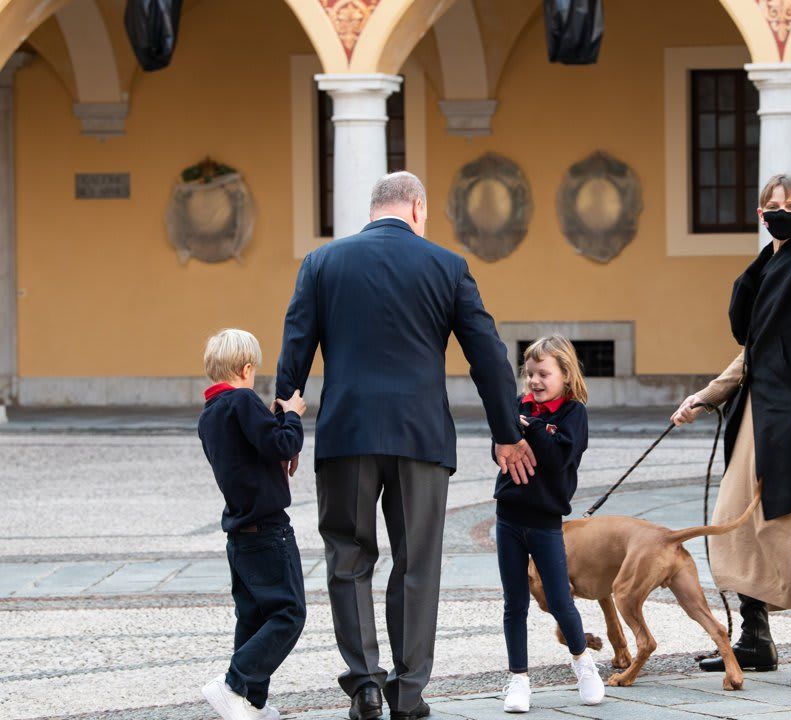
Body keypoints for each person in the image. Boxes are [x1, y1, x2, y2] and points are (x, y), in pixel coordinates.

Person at [275, 172, 537, 720]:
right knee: (417, 563)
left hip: (347, 434)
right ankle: (409, 691)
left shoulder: (322, 264)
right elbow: (487, 355)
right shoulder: (447, 266)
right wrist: (506, 434)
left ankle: (365, 686)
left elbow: (294, 351)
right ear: (417, 207)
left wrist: (286, 434)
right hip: (421, 437)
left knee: (347, 558)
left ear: (374, 210)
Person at [672, 118, 791, 688]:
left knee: (770, 527)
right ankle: (756, 639)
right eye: (772, 203)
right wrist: (705, 398)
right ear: (761, 214)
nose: (781, 209)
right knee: (736, 523)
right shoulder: (764, 269)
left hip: (786, 417)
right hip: (759, 412)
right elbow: (754, 354)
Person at [197, 328, 308, 720]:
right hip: (268, 529)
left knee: (253, 617)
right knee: (289, 613)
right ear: (247, 368)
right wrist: (291, 417)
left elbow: (254, 450)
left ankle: (251, 702)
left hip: (240, 534)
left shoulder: (210, 413)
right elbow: (282, 445)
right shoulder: (243, 400)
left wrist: (274, 425)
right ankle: (233, 683)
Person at [492, 336, 604, 713]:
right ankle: (519, 679)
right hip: (508, 518)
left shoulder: (574, 414)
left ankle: (583, 662)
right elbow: (503, 448)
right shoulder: (516, 407)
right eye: (529, 374)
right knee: (514, 604)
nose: (535, 381)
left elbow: (559, 459)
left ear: (566, 375)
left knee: (559, 600)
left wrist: (536, 429)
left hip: (545, 523)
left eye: (544, 373)